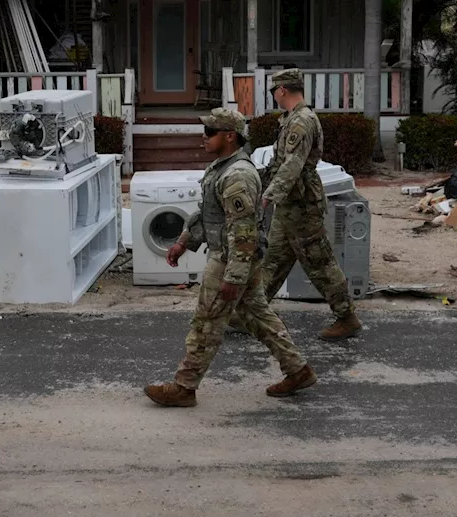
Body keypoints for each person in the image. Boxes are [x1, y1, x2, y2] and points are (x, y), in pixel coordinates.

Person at [144, 107, 317, 407]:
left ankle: (184, 387)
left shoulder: (237, 174)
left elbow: (244, 230)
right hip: (237, 258)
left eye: (210, 133)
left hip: (230, 259)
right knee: (258, 317)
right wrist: (184, 241)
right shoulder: (222, 167)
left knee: (206, 323)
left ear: (229, 136)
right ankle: (297, 369)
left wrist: (233, 276)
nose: (204, 138)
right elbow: (210, 214)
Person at [258, 69, 362, 340]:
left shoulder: (301, 121)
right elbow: (279, 162)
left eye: (274, 91)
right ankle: (252, 312)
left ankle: (346, 317)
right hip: (291, 203)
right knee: (274, 259)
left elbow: (292, 165)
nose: (274, 96)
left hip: (302, 203)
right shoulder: (292, 119)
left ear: (282, 90)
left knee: (319, 261)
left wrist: (269, 195)